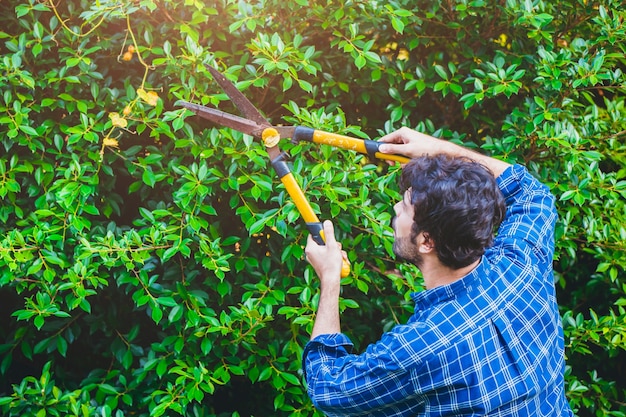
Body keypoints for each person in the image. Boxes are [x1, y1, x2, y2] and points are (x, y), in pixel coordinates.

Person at [302, 127, 573, 416]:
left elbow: (328, 388)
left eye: (405, 208)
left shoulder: (421, 348)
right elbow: (531, 192)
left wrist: (329, 279)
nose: (395, 208)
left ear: (427, 241)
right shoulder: (522, 266)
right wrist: (441, 150)